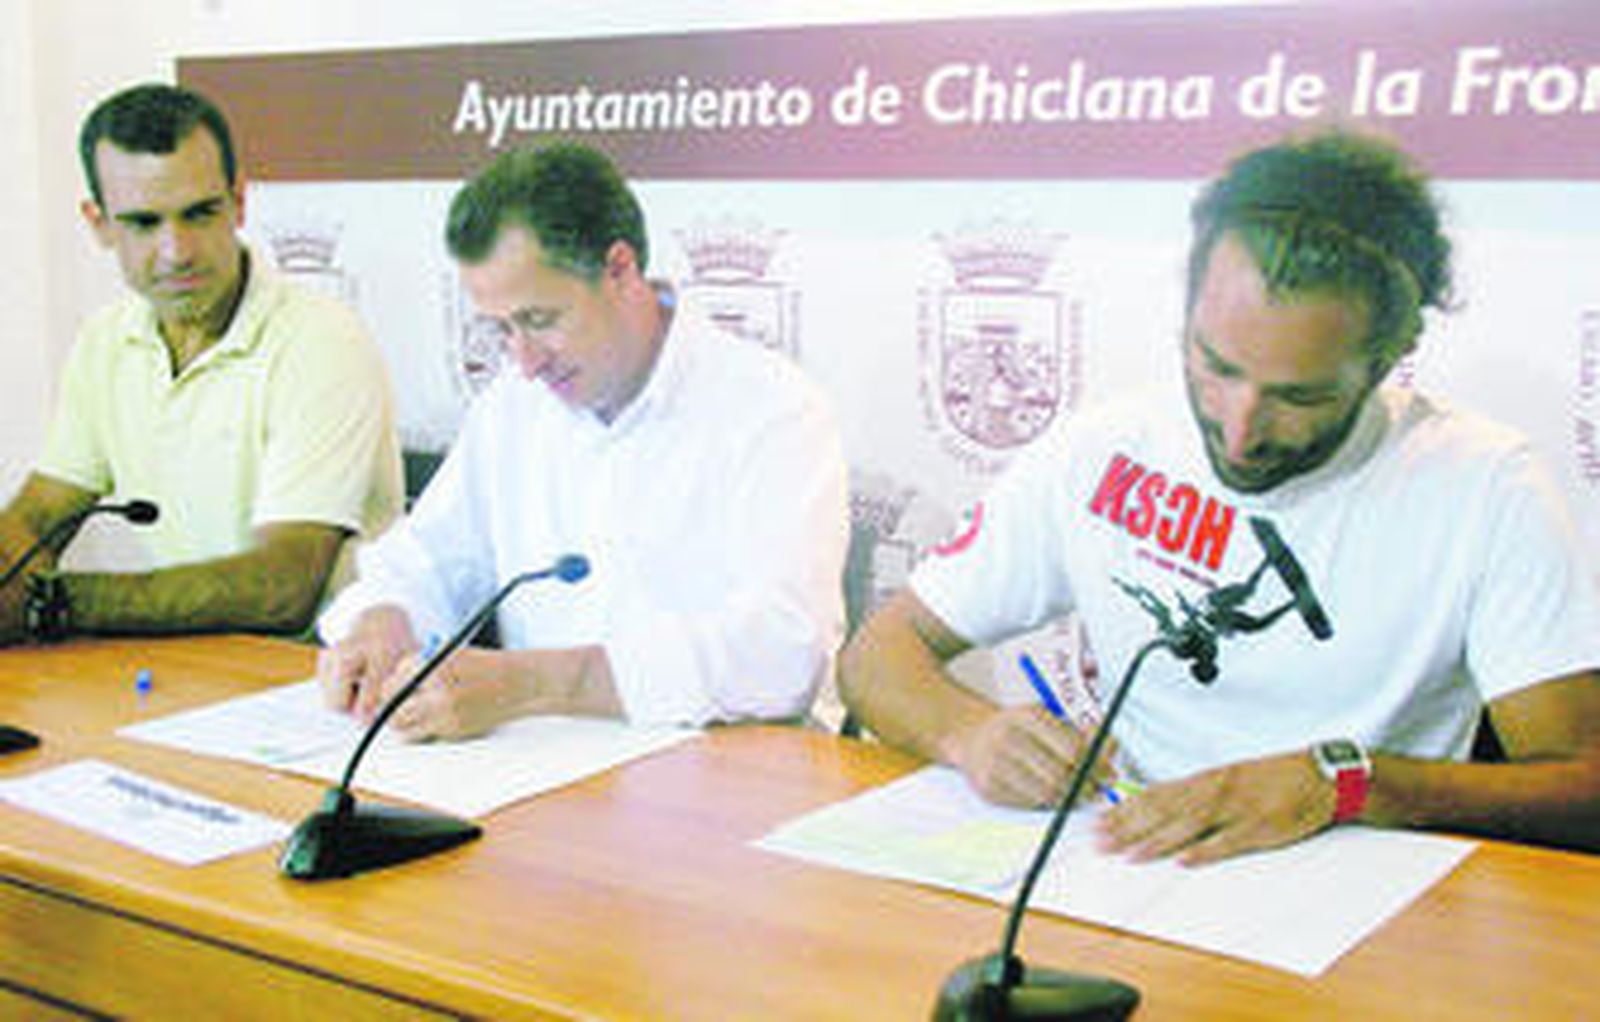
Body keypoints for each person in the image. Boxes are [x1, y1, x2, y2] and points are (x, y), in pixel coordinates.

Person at [840, 129, 1600, 865]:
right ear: (1188, 315)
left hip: (1365, 903)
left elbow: (1583, 790)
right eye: (1216, 366)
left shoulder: (1486, 487)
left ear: (1388, 359)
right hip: (1132, 863)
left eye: (1300, 397)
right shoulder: (1101, 449)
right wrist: (969, 732)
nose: (1240, 432)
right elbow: (876, 657)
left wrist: (1346, 784)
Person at [316, 143, 848, 736]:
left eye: (540, 320)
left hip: (730, 764)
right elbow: (424, 561)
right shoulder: (513, 406)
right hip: (542, 761)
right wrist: (384, 617)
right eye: (502, 329)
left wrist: (537, 684)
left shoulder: (773, 409)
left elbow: (785, 653)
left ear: (619, 269)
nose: (525, 361)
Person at [0, 83, 402, 644]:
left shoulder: (321, 341)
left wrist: (51, 603)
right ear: (99, 224)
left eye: (200, 213)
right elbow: (38, 521)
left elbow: (285, 587)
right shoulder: (105, 341)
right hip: (184, 667)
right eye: (144, 223)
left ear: (239, 202)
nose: (177, 252)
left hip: (319, 674)